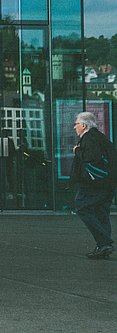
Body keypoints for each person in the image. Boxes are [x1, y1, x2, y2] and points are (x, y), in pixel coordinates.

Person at [69, 111, 116, 259]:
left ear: (83, 125)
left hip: (94, 184)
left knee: (82, 206)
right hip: (108, 183)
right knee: (101, 212)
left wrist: (77, 150)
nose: (74, 127)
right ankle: (103, 248)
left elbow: (91, 157)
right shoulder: (101, 137)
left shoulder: (88, 138)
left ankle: (104, 242)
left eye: (76, 124)